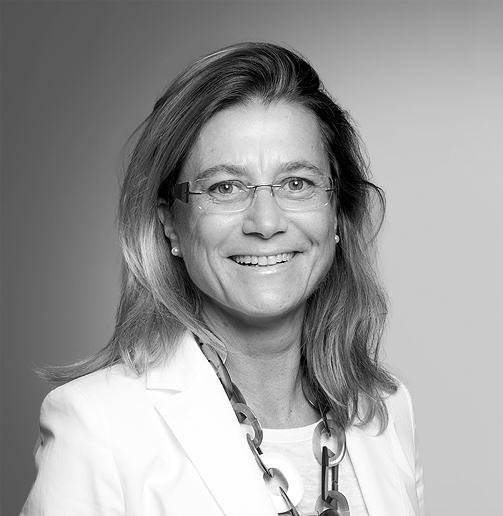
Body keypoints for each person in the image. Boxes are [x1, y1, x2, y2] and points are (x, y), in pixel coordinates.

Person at [21, 42, 424, 516]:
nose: (266, 222)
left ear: (337, 211)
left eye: (297, 183)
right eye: (225, 187)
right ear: (171, 224)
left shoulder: (387, 411)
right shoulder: (95, 427)